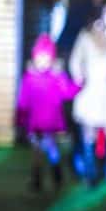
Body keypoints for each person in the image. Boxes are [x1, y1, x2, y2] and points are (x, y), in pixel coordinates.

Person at [69, 2, 106, 185]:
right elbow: (76, 59)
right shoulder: (87, 36)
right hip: (92, 89)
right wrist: (79, 76)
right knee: (89, 132)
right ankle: (90, 172)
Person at [17, 35, 80, 192]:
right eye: (40, 58)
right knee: (37, 151)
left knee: (51, 148)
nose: (43, 62)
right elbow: (23, 99)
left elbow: (67, 92)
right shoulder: (29, 78)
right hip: (35, 122)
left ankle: (56, 175)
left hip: (51, 121)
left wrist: (78, 84)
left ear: (51, 59)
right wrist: (21, 116)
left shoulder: (57, 77)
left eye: (46, 58)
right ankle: (37, 179)